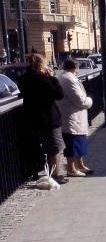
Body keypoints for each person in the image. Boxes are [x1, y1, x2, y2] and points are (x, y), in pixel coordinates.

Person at [17, 53, 68, 185]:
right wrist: (52, 78)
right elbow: (59, 94)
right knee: (55, 148)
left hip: (32, 118)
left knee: (38, 147)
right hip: (48, 118)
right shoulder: (43, 79)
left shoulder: (24, 79)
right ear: (41, 65)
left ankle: (35, 171)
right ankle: (55, 175)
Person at [58, 59, 94, 176]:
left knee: (79, 141)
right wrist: (89, 101)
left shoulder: (67, 77)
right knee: (73, 142)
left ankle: (80, 164)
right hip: (72, 115)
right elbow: (79, 100)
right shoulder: (68, 79)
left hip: (75, 115)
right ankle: (71, 168)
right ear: (75, 67)